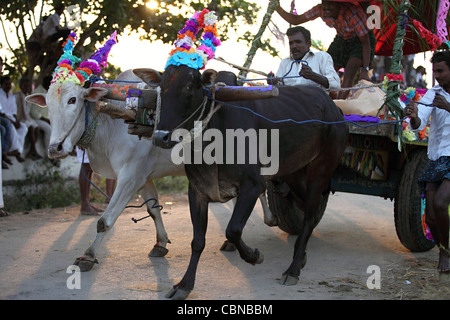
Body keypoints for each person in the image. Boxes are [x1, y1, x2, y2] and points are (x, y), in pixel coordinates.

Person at [405, 51, 450, 279]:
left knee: (441, 203)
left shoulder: (441, 97)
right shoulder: (433, 93)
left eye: (441, 71)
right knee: (431, 216)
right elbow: (419, 120)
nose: (437, 76)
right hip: (436, 158)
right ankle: (444, 249)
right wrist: (413, 116)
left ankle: (445, 253)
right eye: (435, 72)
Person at [274, 0, 375, 98]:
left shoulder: (352, 14)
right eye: (324, 3)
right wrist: (277, 8)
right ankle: (331, 100)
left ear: (338, 4)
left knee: (350, 69)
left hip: (360, 41)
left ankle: (340, 104)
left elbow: (365, 43)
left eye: (330, 3)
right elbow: (296, 20)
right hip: (341, 38)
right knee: (326, 68)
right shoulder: (320, 9)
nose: (326, 7)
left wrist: (365, 69)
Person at [274, 26, 340, 90]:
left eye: (298, 42)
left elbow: (336, 84)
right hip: (289, 100)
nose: (294, 46)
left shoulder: (321, 57)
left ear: (308, 43)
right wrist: (273, 82)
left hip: (314, 100)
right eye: (291, 43)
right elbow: (278, 88)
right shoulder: (285, 62)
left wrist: (313, 76)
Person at [77, 147, 116, 215]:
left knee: (90, 167)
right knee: (86, 166)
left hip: (90, 140)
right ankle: (85, 205)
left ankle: (87, 203)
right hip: (84, 140)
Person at [0, 75, 27, 162]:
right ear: (2, 85)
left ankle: (17, 151)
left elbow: (14, 111)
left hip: (12, 118)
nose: (8, 86)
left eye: (9, 84)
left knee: (23, 127)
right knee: (11, 127)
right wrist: (12, 121)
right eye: (6, 84)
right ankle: (15, 151)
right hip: (4, 118)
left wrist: (17, 120)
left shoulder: (11, 96)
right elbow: (2, 113)